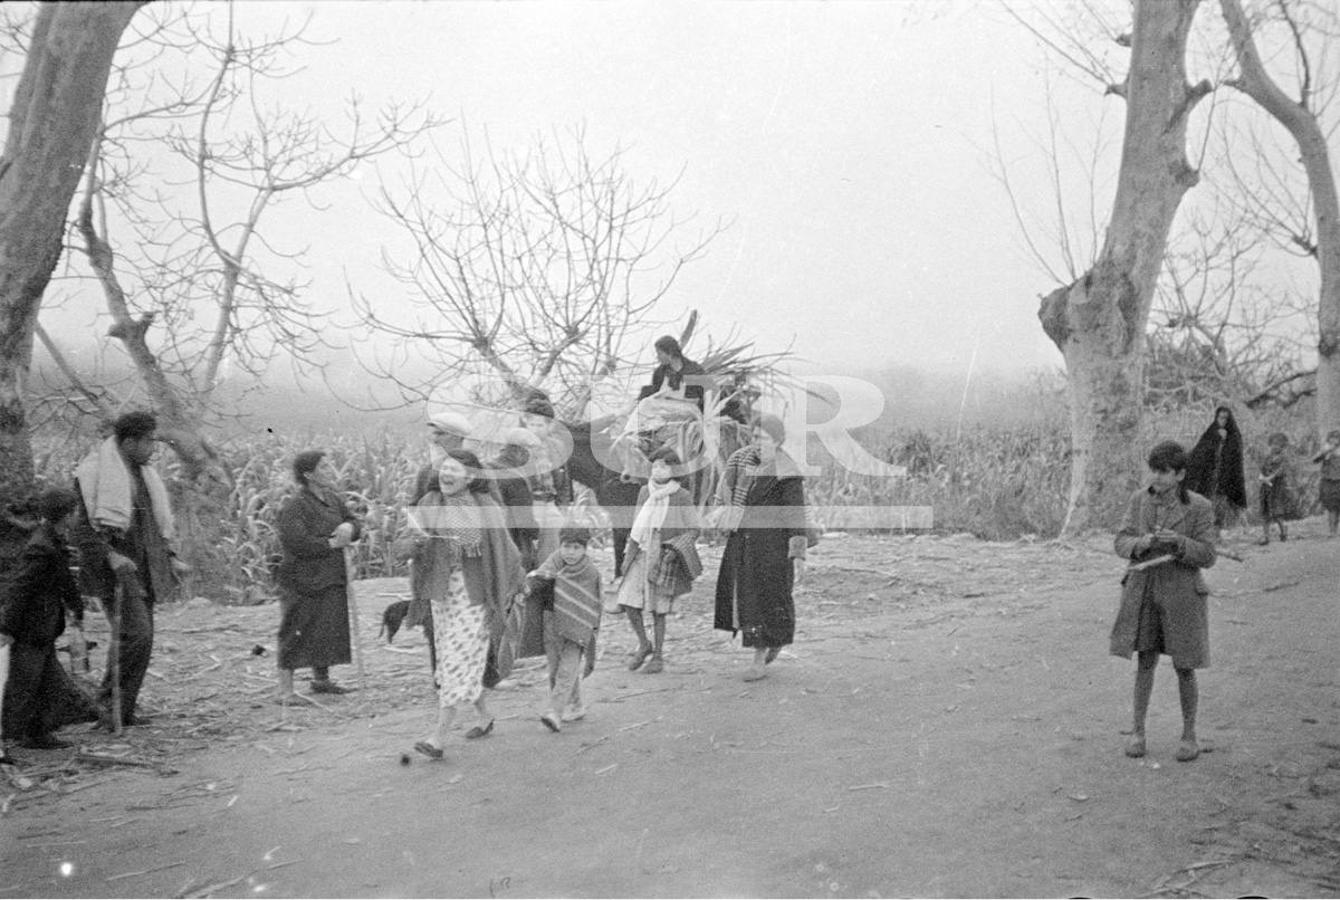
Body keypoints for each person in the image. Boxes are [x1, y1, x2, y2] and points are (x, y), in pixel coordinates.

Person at [73, 411, 188, 728]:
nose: (153, 448)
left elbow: (155, 523)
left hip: (145, 568)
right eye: (149, 441)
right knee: (137, 635)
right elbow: (82, 530)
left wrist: (171, 556)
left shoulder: (145, 474)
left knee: (139, 638)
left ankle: (120, 709)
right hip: (115, 572)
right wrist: (111, 557)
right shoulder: (93, 473)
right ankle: (110, 709)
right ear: (129, 441)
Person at [409, 449, 525, 760]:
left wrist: (515, 584)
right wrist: (415, 543)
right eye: (444, 468)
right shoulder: (430, 503)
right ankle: (484, 717)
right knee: (456, 656)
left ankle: (438, 737)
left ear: (471, 477)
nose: (446, 475)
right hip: (441, 594)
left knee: (456, 661)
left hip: (475, 596)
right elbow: (404, 541)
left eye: (455, 470)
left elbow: (508, 553)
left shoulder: (486, 507)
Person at [1110, 440, 1217, 763]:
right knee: (1145, 661)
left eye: (1164, 472)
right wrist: (1139, 543)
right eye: (1153, 470)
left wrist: (1181, 543)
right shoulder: (1139, 501)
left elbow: (1209, 554)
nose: (1156, 477)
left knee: (1185, 666)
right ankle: (1138, 732)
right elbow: (1120, 540)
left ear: (1181, 474)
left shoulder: (1199, 507)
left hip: (1183, 594)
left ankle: (1189, 736)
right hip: (1144, 590)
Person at [1, 489, 101, 755]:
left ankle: (36, 734)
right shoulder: (40, 547)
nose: (79, 515)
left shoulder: (52, 540)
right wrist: (7, 629)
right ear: (67, 515)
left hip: (42, 628)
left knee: (49, 685)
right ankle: (10, 740)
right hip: (30, 629)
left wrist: (76, 609)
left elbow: (63, 580)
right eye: (76, 511)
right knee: (23, 686)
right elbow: (19, 589)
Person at [713, 414, 809, 682]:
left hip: (772, 548)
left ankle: (759, 658)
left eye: (763, 438)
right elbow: (729, 495)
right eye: (754, 436)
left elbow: (795, 514)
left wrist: (797, 553)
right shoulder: (746, 463)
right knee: (746, 598)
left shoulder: (787, 472)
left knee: (766, 598)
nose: (756, 442)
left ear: (777, 441)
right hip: (744, 542)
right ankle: (771, 642)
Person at [274, 451, 362, 699]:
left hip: (331, 576)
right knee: (296, 630)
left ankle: (321, 680)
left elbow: (355, 523)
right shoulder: (295, 505)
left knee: (326, 629)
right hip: (302, 580)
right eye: (323, 467)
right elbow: (296, 542)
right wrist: (330, 544)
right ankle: (286, 691)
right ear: (308, 474)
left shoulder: (333, 499)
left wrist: (349, 527)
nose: (330, 470)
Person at [612, 446, 701, 675]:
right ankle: (644, 643)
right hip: (641, 551)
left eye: (664, 465)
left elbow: (693, 529)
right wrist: (627, 556)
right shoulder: (645, 492)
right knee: (628, 601)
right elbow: (636, 525)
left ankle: (658, 655)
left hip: (664, 555)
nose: (659, 470)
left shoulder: (681, 495)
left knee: (658, 609)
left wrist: (675, 549)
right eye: (655, 465)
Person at [405, 411, 475, 685]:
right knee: (435, 613)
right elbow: (414, 508)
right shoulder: (427, 472)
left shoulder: (474, 468)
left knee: (473, 612)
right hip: (434, 554)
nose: (432, 439)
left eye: (440, 433)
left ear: (457, 438)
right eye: (432, 433)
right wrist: (418, 535)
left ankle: (475, 673)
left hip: (468, 553)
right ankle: (442, 674)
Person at [526, 526, 603, 732]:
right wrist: (526, 588)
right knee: (555, 669)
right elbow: (537, 580)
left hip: (578, 627)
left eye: (576, 547)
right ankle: (576, 705)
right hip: (552, 622)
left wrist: (590, 628)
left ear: (585, 549)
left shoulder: (590, 572)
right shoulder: (553, 562)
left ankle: (555, 712)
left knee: (567, 670)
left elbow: (593, 604)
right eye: (566, 546)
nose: (570, 552)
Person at [1184, 406, 1247, 530]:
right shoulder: (1211, 432)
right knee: (1210, 502)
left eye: (1225, 418)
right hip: (1210, 475)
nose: (1222, 421)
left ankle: (1240, 527)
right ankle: (1213, 531)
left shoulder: (1234, 435)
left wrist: (1224, 440)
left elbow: (1235, 458)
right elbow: (1200, 451)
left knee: (1229, 503)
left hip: (1227, 476)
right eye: (1220, 417)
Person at [637, 335, 707, 413]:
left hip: (690, 413)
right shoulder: (660, 373)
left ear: (670, 353)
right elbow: (654, 393)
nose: (657, 357)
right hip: (664, 413)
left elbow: (703, 397)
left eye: (660, 353)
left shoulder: (694, 371)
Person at [1257, 432, 1296, 545]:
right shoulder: (1267, 457)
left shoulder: (1284, 458)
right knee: (1265, 511)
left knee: (1277, 511)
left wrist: (1270, 477)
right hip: (1266, 487)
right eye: (1273, 444)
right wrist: (1262, 477)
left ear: (1283, 446)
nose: (1275, 446)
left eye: (1278, 444)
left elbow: (1281, 471)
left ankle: (1283, 530)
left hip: (1277, 487)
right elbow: (1262, 469)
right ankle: (1265, 536)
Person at [1310, 429, 1340, 537]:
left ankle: (1334, 530)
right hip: (1328, 481)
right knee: (1332, 507)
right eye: (1332, 438)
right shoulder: (1325, 450)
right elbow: (1314, 460)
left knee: (1336, 506)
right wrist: (1325, 452)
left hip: (1338, 481)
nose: (1334, 440)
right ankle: (1333, 531)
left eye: (1337, 438)